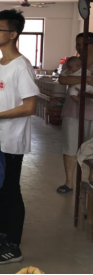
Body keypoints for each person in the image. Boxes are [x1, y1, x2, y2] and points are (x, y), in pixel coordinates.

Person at [0, 10, 40, 265]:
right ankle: (2, 235)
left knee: (11, 191)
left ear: (13, 34)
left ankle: (13, 246)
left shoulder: (21, 66)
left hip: (12, 140)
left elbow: (30, 106)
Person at [58, 34, 93, 195]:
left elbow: (70, 79)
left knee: (91, 148)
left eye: (84, 44)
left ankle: (91, 179)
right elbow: (63, 80)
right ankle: (69, 182)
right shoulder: (72, 62)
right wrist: (88, 79)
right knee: (70, 147)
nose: (79, 47)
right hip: (72, 112)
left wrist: (77, 78)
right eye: (77, 44)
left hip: (91, 113)